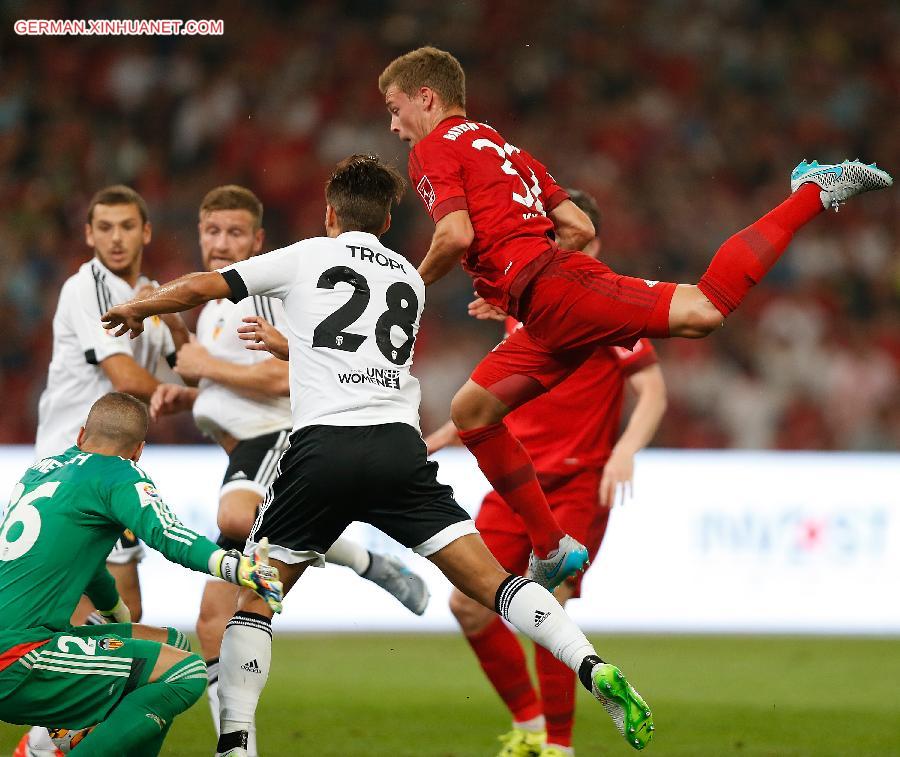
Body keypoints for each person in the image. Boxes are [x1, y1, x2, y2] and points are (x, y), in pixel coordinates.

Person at [101, 154, 657, 753]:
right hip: (399, 449)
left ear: (330, 213)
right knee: (494, 583)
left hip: (322, 451)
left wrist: (140, 306)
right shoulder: (409, 282)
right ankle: (590, 663)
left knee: (256, 600)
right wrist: (292, 347)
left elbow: (212, 284)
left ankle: (235, 743)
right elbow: (356, 353)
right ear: (389, 222)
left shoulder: (309, 253)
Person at [377, 46, 893, 590]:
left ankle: (811, 191)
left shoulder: (433, 148)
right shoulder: (504, 148)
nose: (394, 125)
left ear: (426, 98)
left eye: (395, 107)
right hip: (547, 305)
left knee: (704, 309)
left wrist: (405, 285)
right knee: (472, 411)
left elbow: (454, 234)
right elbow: (575, 227)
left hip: (556, 294)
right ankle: (550, 548)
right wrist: (515, 282)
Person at [149, 184, 430, 754]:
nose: (222, 243)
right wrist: (189, 391)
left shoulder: (267, 290)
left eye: (235, 233)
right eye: (212, 231)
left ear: (256, 240)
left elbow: (287, 375)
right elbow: (221, 380)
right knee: (211, 621)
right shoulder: (211, 313)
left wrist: (205, 368)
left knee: (235, 513)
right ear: (199, 233)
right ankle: (237, 746)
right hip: (245, 451)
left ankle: (365, 558)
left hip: (278, 438)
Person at [427, 190, 667, 757]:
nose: (547, 248)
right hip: (513, 483)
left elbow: (652, 390)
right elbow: (497, 396)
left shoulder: (609, 305)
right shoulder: (524, 306)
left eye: (557, 237)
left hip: (575, 484)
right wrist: (440, 437)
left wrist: (625, 450)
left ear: (592, 241)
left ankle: (558, 746)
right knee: (466, 604)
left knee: (550, 602)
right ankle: (530, 725)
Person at [0, 392, 282, 757]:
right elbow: (168, 535)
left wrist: (115, 612)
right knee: (186, 674)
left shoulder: (42, 470)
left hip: (20, 644)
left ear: (81, 435)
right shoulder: (118, 476)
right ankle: (43, 748)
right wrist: (237, 566)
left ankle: (59, 741)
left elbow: (86, 568)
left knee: (172, 644)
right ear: (138, 451)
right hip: (20, 656)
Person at [19, 185, 191, 757]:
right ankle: (48, 741)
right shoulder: (87, 287)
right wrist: (183, 394)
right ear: (89, 236)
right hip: (73, 474)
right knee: (83, 621)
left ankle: (54, 739)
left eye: (126, 226)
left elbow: (183, 363)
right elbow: (126, 376)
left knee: (124, 614)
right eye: (105, 228)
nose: (116, 237)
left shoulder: (143, 295)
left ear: (146, 232)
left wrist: (170, 314)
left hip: (108, 472)